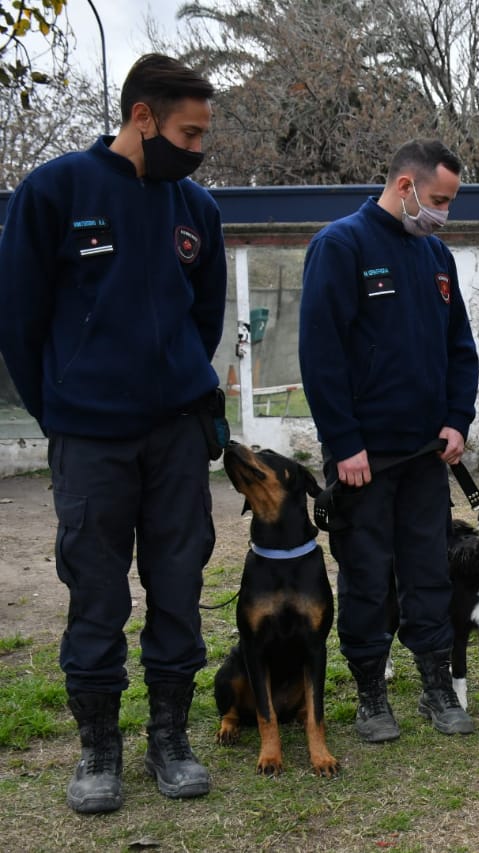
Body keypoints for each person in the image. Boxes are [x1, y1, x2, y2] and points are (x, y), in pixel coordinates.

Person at [0, 54, 223, 813]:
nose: (196, 149)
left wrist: (191, 408)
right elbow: (20, 323)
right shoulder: (55, 191)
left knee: (179, 586)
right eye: (187, 132)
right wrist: (61, 409)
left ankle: (170, 736)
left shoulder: (197, 209)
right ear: (142, 116)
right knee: (94, 592)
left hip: (176, 437)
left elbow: (206, 319)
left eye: (203, 136)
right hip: (90, 439)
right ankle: (99, 748)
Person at [299, 139, 479, 743]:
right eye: (438, 200)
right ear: (405, 186)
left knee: (429, 571)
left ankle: (434, 689)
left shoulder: (436, 257)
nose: (442, 214)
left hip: (427, 453)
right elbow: (321, 355)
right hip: (363, 461)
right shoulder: (341, 246)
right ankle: (371, 696)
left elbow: (460, 349)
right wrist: (345, 442)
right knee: (367, 574)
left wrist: (458, 418)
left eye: (449, 204)